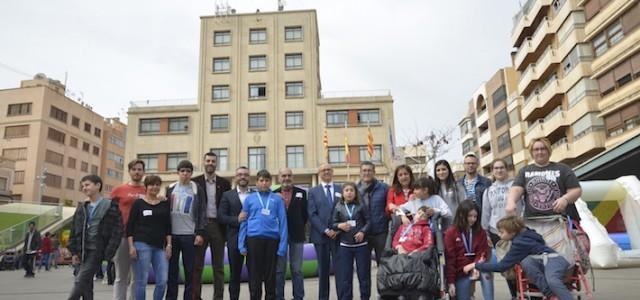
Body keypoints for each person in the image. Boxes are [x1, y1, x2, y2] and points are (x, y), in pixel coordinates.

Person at [464, 215, 573, 300]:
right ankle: (551, 295)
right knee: (525, 261)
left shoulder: (519, 243)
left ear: (512, 233)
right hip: (549, 259)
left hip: (553, 260)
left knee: (553, 280)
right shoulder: (529, 234)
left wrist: (475, 265)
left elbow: (501, 266)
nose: (499, 235)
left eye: (501, 232)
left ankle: (556, 296)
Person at [68, 175, 123, 300]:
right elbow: (74, 228)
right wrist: (74, 251)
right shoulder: (82, 207)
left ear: (98, 185)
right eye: (82, 186)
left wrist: (109, 251)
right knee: (87, 284)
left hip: (97, 249)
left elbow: (117, 230)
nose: (84, 188)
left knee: (80, 280)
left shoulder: (111, 206)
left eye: (87, 185)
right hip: (82, 249)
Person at [238, 169, 288, 300]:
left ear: (270, 182)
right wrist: (241, 244)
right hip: (253, 240)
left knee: (270, 277)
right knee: (254, 276)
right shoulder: (250, 199)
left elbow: (283, 222)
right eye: (261, 180)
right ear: (257, 182)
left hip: (272, 241)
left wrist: (282, 246)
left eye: (266, 180)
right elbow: (243, 222)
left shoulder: (277, 199)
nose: (264, 183)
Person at [506, 137, 582, 222]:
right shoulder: (524, 171)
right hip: (533, 222)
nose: (540, 152)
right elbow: (516, 189)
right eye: (536, 149)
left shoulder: (563, 168)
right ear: (532, 153)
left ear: (549, 151)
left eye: (543, 149)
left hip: (562, 220)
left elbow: (576, 190)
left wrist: (565, 199)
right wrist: (511, 201)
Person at [192, 152, 232, 300]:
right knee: (197, 266)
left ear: (216, 163)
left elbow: (228, 206)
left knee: (219, 267)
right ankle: (196, 297)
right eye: (208, 160)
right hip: (200, 227)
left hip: (218, 227)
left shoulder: (225, 183)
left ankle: (218, 297)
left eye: (213, 161)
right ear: (204, 162)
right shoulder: (194, 182)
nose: (210, 163)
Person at [166, 160, 207, 300]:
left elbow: (202, 211)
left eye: (188, 171)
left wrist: (200, 232)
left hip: (190, 235)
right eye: (182, 171)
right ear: (178, 172)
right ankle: (171, 297)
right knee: (172, 271)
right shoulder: (170, 188)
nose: (185, 173)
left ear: (191, 173)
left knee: (190, 271)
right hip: (173, 236)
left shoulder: (197, 189)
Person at [481, 159, 522, 299]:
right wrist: (485, 233)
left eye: (502, 167)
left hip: (516, 231)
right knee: (507, 267)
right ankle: (514, 295)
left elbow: (523, 208)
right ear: (493, 171)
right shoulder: (488, 191)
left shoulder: (516, 186)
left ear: (507, 169)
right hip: (496, 233)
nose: (499, 170)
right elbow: (486, 213)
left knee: (521, 265)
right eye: (496, 168)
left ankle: (522, 293)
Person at [127, 175, 171, 300]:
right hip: (141, 244)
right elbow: (130, 226)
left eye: (157, 185)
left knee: (162, 280)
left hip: (160, 247)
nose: (154, 187)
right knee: (141, 280)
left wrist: (169, 245)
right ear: (146, 187)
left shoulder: (164, 204)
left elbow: (168, 226)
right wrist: (131, 246)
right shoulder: (138, 203)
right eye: (151, 184)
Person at [110, 159, 147, 300]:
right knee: (121, 276)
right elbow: (110, 214)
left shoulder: (147, 190)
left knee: (138, 277)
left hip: (142, 238)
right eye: (134, 169)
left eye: (140, 169)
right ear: (129, 171)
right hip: (122, 236)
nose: (137, 172)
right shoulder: (118, 190)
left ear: (144, 172)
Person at [444, 200, 494, 300]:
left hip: (478, 267)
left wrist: (475, 266)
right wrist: (451, 282)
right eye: (470, 216)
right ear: (462, 215)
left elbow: (482, 253)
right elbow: (450, 259)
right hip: (461, 271)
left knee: (486, 272)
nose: (473, 219)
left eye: (475, 216)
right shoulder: (451, 233)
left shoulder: (480, 232)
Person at [273, 168, 308, 300]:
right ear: (279, 178)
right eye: (284, 175)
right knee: (279, 270)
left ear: (292, 177)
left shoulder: (302, 193)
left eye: (289, 175)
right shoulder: (274, 194)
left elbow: (305, 215)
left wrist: (297, 225)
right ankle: (279, 297)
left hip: (297, 235)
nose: (286, 178)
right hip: (278, 237)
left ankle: (298, 297)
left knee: (297, 269)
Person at [218, 166, 253, 300]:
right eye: (240, 174)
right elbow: (221, 216)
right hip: (234, 239)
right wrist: (236, 219)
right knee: (235, 274)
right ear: (235, 177)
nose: (243, 177)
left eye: (245, 174)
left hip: (253, 238)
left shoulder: (256, 195)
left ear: (249, 177)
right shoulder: (227, 195)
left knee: (254, 274)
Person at [307, 163, 341, 300]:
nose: (326, 172)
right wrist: (326, 230)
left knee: (341, 270)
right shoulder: (313, 192)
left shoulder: (341, 188)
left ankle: (343, 296)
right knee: (323, 271)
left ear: (332, 171)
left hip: (339, 236)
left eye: (328, 169)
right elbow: (312, 214)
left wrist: (337, 230)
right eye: (323, 170)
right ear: (319, 173)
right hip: (321, 237)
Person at [332, 182, 371, 300]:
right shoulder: (338, 207)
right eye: (347, 190)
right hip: (345, 247)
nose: (349, 193)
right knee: (345, 277)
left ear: (355, 193)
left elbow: (369, 222)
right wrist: (339, 225)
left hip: (361, 246)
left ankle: (365, 297)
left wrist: (363, 232)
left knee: (363, 276)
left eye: (351, 190)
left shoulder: (361, 206)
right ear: (343, 194)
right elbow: (333, 223)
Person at [356, 161, 389, 265]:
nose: (367, 173)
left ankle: (383, 282)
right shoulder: (355, 190)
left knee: (384, 265)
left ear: (374, 172)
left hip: (381, 232)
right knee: (363, 266)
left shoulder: (384, 188)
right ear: (360, 173)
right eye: (364, 170)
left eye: (369, 170)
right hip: (363, 233)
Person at [458, 153, 492, 217]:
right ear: (464, 165)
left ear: (477, 165)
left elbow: (490, 202)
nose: (470, 165)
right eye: (468, 163)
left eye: (473, 163)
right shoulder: (458, 183)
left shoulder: (486, 182)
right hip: (463, 217)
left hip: (481, 217)